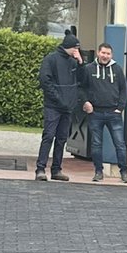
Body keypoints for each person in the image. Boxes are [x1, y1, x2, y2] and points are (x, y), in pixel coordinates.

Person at [35, 30, 82, 181]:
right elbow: (45, 81)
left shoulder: (73, 62)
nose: (77, 51)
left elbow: (83, 80)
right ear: (68, 47)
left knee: (61, 139)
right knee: (48, 136)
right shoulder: (51, 59)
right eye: (75, 48)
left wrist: (81, 63)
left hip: (67, 107)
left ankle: (56, 169)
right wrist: (58, 99)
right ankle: (40, 169)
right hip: (53, 106)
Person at [80, 42, 127, 183]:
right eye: (103, 53)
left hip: (114, 114)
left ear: (111, 55)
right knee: (96, 144)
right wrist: (85, 102)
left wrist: (120, 108)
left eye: (108, 54)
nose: (105, 56)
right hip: (95, 113)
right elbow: (81, 88)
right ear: (98, 53)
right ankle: (98, 172)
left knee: (120, 144)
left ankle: (124, 172)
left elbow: (123, 90)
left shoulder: (118, 70)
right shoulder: (88, 69)